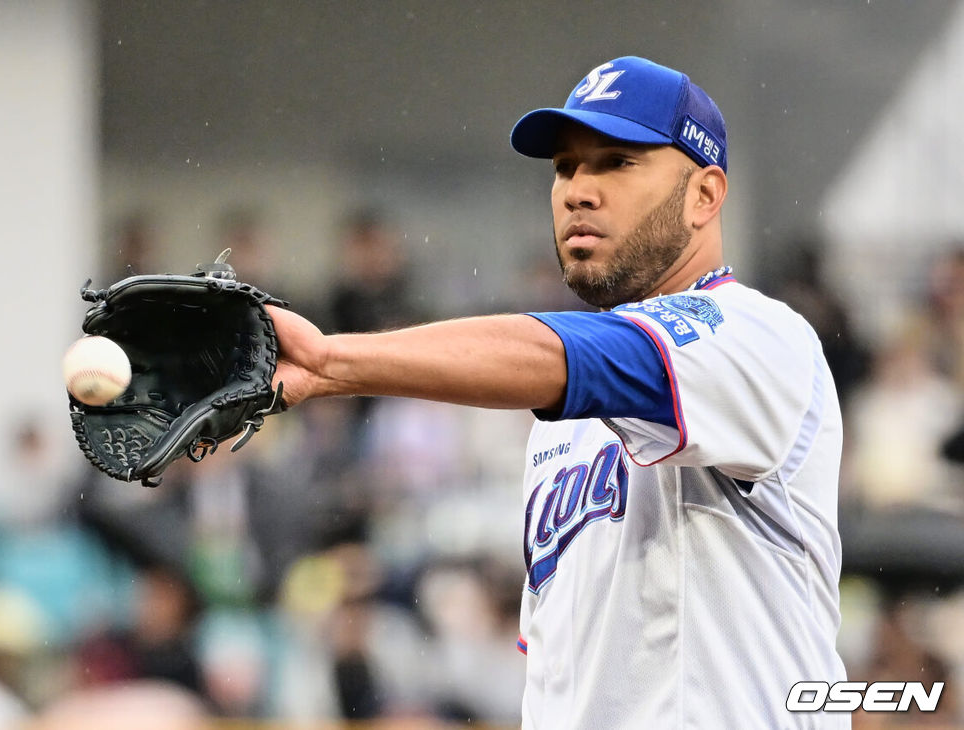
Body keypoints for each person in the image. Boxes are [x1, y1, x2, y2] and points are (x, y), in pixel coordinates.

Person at [265, 56, 848, 729]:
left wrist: (332, 361)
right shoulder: (558, 428)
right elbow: (559, 678)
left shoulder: (758, 337)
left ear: (705, 195)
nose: (578, 190)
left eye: (615, 162)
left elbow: (580, 355)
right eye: (566, 167)